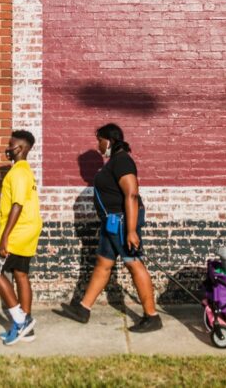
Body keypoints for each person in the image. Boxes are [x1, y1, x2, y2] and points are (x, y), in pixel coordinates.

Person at [60, 123, 161, 332]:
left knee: (134, 263)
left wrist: (131, 230)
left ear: (111, 140)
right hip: (112, 222)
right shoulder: (113, 162)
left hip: (123, 221)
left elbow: (131, 194)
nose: (99, 146)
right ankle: (83, 309)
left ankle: (152, 316)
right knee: (103, 264)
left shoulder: (122, 160)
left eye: (100, 140)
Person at [0, 129, 42, 345]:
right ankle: (26, 330)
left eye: (10, 145)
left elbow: (17, 205)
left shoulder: (18, 172)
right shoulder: (26, 171)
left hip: (18, 231)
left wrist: (5, 237)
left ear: (20, 148)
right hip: (28, 229)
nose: (7, 149)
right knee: (20, 274)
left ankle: (20, 320)